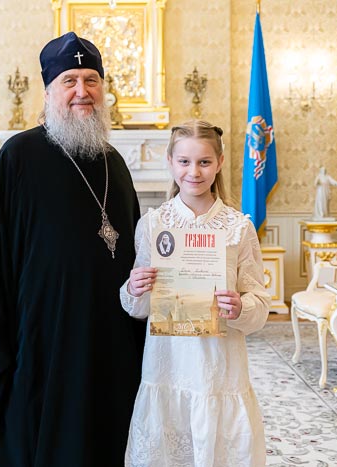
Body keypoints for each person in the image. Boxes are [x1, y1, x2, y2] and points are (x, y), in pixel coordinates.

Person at [0, 32, 146, 467]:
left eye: (91, 80)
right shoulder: (17, 158)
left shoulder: (114, 162)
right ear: (48, 92)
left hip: (110, 345)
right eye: (69, 81)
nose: (82, 91)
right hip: (43, 346)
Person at [119, 120, 271, 466]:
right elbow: (138, 307)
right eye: (184, 161)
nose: (194, 172)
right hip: (168, 364)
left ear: (219, 163)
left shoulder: (238, 227)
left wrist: (241, 306)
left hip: (220, 366)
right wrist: (134, 287)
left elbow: (259, 301)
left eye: (204, 162)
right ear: (170, 162)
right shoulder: (153, 224)